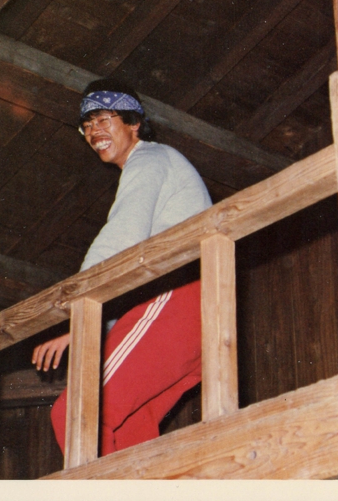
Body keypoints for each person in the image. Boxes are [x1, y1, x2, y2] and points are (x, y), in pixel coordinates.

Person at [32, 79, 211, 457]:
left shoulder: (151, 158)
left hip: (176, 299)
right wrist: (95, 328)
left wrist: (76, 318)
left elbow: (122, 237)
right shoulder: (157, 165)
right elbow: (125, 271)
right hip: (195, 316)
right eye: (86, 126)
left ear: (134, 123)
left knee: (76, 413)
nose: (93, 131)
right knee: (128, 433)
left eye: (103, 119)